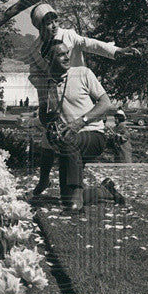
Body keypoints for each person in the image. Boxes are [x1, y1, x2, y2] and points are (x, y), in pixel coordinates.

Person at [26, 2, 140, 195]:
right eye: (47, 22)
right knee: (49, 138)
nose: (53, 25)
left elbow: (91, 44)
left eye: (55, 19)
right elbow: (35, 74)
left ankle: (77, 191)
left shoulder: (68, 36)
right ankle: (46, 181)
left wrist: (116, 51)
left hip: (80, 96)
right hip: (57, 99)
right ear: (39, 26)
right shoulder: (36, 50)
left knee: (72, 150)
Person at [40, 40, 127, 212]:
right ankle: (104, 191)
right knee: (65, 200)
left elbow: (105, 103)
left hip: (93, 134)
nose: (67, 57)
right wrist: (50, 126)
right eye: (60, 54)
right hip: (69, 141)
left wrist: (80, 122)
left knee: (69, 141)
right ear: (49, 59)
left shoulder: (83, 73)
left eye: (67, 53)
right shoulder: (46, 83)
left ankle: (78, 198)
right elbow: (44, 113)